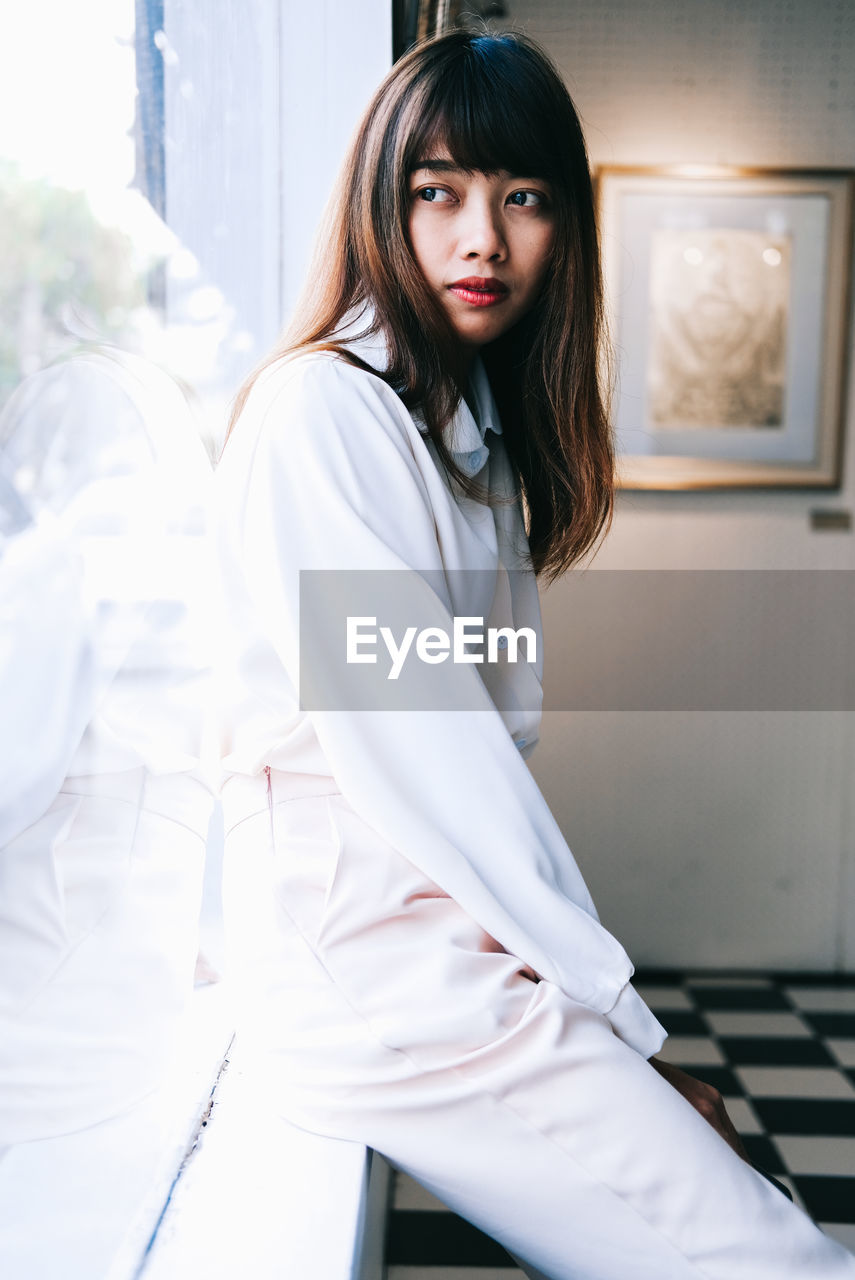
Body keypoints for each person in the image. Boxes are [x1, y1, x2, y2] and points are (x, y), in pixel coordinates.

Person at [212, 30, 855, 1279]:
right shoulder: (324, 415)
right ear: (378, 207)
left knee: (758, 1229)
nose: (481, 241)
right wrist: (623, 1023)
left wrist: (602, 1014)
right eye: (436, 192)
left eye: (525, 198)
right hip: (376, 978)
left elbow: (481, 750)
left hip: (439, 951)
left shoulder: (476, 438)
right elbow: (435, 765)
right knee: (768, 1259)